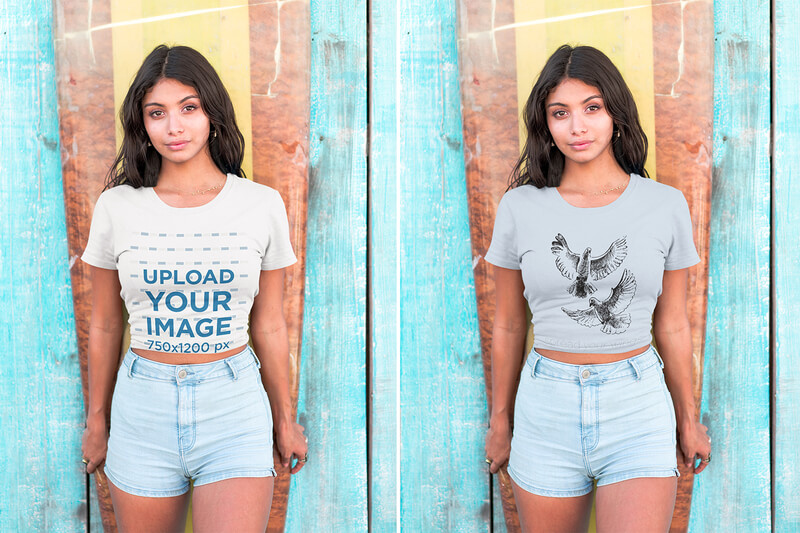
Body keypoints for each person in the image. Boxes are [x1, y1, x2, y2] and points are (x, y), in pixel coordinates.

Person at [79, 44, 307, 532]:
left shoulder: (260, 204)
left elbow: (268, 323)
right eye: (156, 113)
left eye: (189, 108)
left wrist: (285, 419)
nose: (174, 127)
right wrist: (97, 421)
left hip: (234, 404)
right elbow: (103, 322)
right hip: (143, 408)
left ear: (213, 114)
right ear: (142, 124)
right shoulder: (117, 206)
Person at [483, 44, 711, 532]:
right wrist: (500, 421)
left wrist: (688, 419)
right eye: (560, 113)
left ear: (616, 114)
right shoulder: (520, 207)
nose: (577, 127)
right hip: (546, 406)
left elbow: (671, 323)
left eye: (592, 108)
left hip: (638, 404)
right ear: (546, 123)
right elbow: (506, 323)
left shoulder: (664, 205)